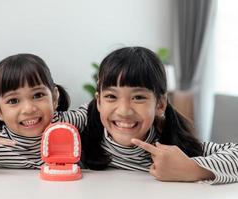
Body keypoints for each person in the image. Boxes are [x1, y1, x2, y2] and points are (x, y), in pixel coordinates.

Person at [81, 46, 238, 184]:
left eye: (138, 97)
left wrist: (191, 169)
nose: (124, 111)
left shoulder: (173, 148)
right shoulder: (80, 141)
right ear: (99, 102)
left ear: (160, 105)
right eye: (111, 96)